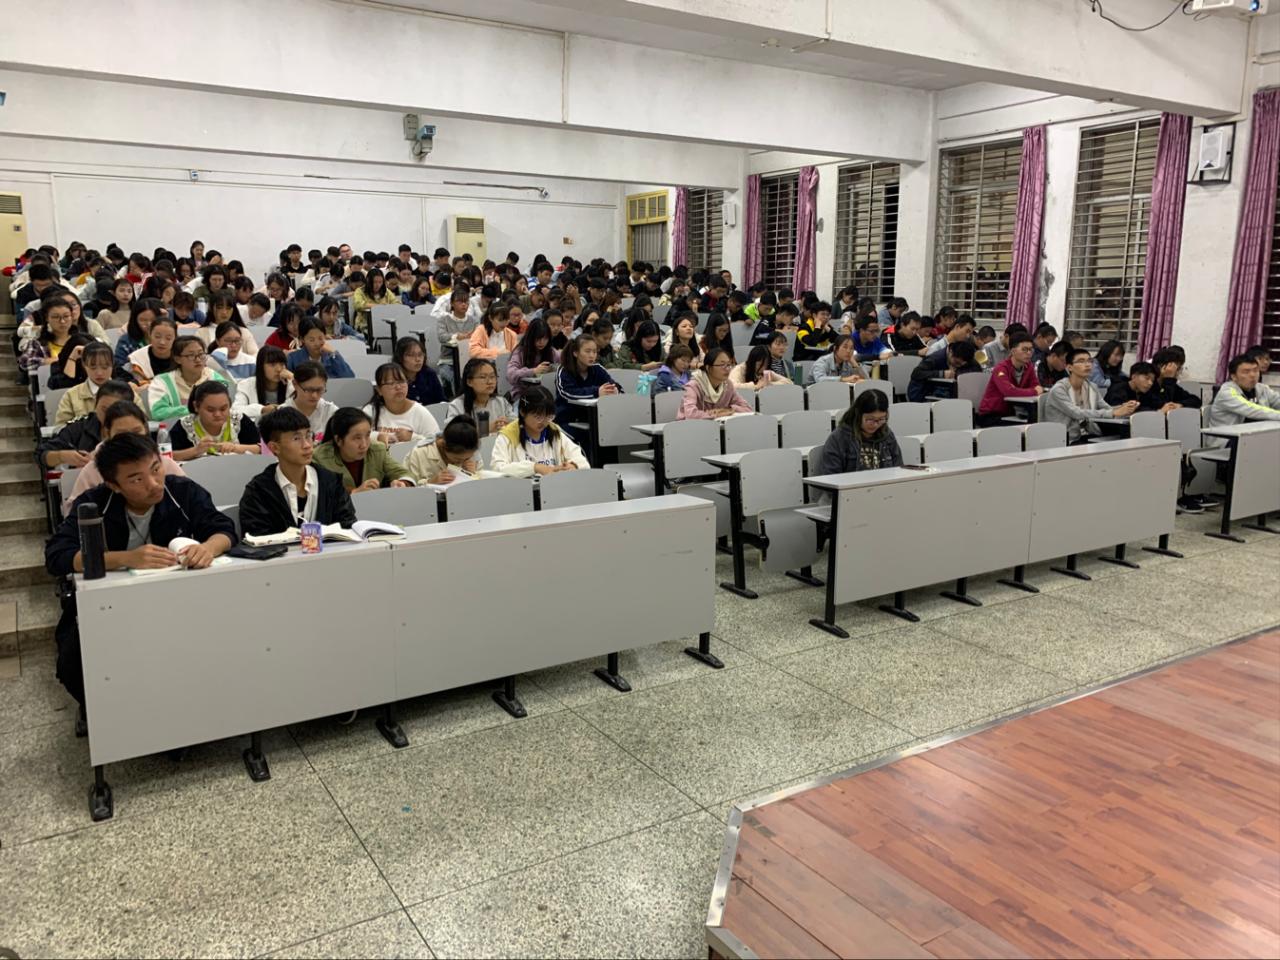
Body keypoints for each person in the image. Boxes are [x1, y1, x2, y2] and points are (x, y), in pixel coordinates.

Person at [47, 433, 236, 714]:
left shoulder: (182, 491)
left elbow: (224, 529)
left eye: (156, 469)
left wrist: (208, 548)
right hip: (112, 604)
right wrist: (125, 559)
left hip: (179, 599)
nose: (153, 484)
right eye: (136, 479)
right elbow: (56, 555)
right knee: (72, 662)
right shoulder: (94, 503)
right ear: (114, 485)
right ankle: (102, 712)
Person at [239, 407, 357, 535]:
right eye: (296, 438)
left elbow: (348, 527)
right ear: (275, 447)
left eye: (308, 435)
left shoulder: (332, 483)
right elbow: (255, 537)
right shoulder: (258, 491)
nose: (307, 445)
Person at [63, 400, 186, 513]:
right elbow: (75, 513)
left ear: (146, 429)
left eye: (137, 432)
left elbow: (187, 499)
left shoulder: (164, 463)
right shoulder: (93, 470)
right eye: (122, 434)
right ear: (107, 434)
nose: (131, 440)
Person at [1044, 348, 1140, 443]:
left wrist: (1123, 408)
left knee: (1124, 436)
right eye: (1081, 361)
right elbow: (1076, 413)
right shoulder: (1059, 389)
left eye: (1089, 361)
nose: (1087, 365)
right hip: (1065, 439)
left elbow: (1107, 408)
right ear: (1069, 367)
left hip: (1087, 435)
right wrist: (1114, 412)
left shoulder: (1091, 387)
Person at [490, 386, 590, 476]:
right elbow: (497, 469)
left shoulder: (554, 431)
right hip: (522, 489)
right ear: (522, 412)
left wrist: (573, 465)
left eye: (548, 416)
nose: (543, 422)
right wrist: (534, 467)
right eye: (538, 417)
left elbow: (580, 459)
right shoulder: (508, 436)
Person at [36, 381, 135, 470]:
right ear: (96, 404)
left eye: (114, 410)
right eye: (103, 409)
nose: (107, 415)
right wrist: (61, 456)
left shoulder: (135, 430)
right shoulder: (81, 427)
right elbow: (41, 454)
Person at [311, 407, 414, 491]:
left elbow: (404, 473)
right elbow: (320, 490)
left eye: (367, 435)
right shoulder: (319, 457)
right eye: (357, 438)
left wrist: (402, 483)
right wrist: (354, 492)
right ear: (339, 440)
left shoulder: (377, 450)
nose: (364, 445)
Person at [818, 389, 903, 476]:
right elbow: (830, 477)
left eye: (881, 419)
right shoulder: (839, 438)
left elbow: (898, 470)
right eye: (870, 419)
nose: (875, 424)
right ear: (858, 414)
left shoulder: (887, 436)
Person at [169, 381, 262, 460]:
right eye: (210, 410)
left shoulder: (239, 420)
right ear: (196, 406)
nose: (217, 414)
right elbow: (168, 456)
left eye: (223, 409)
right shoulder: (185, 425)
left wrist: (235, 448)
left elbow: (261, 448)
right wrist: (196, 450)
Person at [146, 335, 231, 420]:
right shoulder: (162, 382)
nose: (198, 360)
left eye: (201, 354)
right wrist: (194, 409)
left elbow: (226, 408)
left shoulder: (215, 379)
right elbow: (158, 412)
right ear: (177, 359)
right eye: (191, 355)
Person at [364, 362, 441, 442]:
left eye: (401, 381)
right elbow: (358, 436)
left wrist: (413, 437)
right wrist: (378, 436)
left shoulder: (419, 412)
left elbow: (436, 442)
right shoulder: (371, 410)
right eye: (391, 383)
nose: (398, 387)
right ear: (379, 390)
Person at [977, 332, 1042, 425]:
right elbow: (1009, 392)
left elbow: (1036, 386)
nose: (1028, 353)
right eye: (1024, 349)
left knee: (1036, 423)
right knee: (1028, 427)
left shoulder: (1028, 367)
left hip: (1012, 413)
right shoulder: (1001, 368)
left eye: (1031, 349)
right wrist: (1034, 391)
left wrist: (1016, 390)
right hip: (991, 414)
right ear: (1013, 351)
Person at [555, 334, 621, 423]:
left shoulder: (598, 369)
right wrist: (597, 392)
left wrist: (614, 389)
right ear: (575, 353)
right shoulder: (564, 370)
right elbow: (568, 393)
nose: (592, 355)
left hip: (593, 417)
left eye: (594, 352)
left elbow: (612, 384)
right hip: (568, 419)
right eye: (587, 351)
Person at [1207, 354, 1280, 430]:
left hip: (1255, 433)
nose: (1252, 375)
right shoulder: (1227, 393)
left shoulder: (1262, 389)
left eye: (1255, 370)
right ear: (1233, 376)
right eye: (1246, 372)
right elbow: (1253, 409)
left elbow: (1277, 400)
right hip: (1228, 436)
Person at [404, 415, 483, 484]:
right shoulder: (419, 453)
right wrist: (430, 482)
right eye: (457, 459)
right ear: (443, 445)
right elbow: (407, 488)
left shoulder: (472, 449)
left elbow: (482, 484)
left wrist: (473, 475)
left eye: (467, 458)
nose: (462, 463)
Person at [679, 347, 753, 419]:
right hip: (690, 426)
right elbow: (690, 415)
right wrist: (716, 414)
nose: (727, 369)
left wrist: (728, 409)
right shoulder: (694, 386)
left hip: (717, 426)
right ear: (708, 368)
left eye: (728, 365)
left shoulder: (727, 385)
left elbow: (747, 408)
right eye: (722, 365)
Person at [54, 341, 116, 425]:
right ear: (84, 365)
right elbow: (60, 427)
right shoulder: (71, 395)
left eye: (105, 367)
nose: (99, 373)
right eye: (93, 367)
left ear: (112, 364)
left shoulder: (125, 392)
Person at [446, 357, 514, 433]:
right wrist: (484, 430)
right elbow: (452, 434)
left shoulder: (501, 401)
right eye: (483, 377)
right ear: (469, 382)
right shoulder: (457, 406)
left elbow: (516, 423)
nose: (490, 382)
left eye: (492, 376)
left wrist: (509, 424)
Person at [908, 340, 981, 403]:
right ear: (951, 352)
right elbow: (916, 373)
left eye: (962, 365)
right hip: (922, 394)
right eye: (957, 363)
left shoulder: (965, 356)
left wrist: (958, 373)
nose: (958, 366)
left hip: (949, 393)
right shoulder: (935, 358)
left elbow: (977, 370)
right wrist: (942, 374)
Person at [282, 361, 339, 440]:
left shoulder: (331, 411)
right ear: (295, 384)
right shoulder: (282, 413)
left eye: (319, 390)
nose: (314, 395)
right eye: (309, 390)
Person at [234, 346, 292, 421]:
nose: (279, 369)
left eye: (282, 364)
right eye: (272, 365)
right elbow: (235, 411)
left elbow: (301, 407)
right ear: (261, 366)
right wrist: (262, 410)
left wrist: (294, 380)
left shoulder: (291, 384)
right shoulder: (245, 385)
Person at [506, 318, 559, 399]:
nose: (542, 342)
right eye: (538, 338)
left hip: (547, 394)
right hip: (523, 394)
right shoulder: (521, 352)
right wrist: (533, 371)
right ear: (531, 337)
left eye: (545, 338)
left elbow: (563, 365)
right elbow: (510, 374)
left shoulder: (551, 351)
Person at [287, 317, 355, 379]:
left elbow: (349, 378)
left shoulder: (332, 357)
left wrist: (334, 353)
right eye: (312, 340)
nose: (317, 344)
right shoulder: (293, 359)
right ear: (302, 339)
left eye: (320, 338)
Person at [125, 315, 178, 387]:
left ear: (175, 339)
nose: (162, 342)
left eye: (168, 338)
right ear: (150, 334)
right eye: (157, 337)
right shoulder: (137, 359)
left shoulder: (182, 358)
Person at [1105, 361, 1178, 412]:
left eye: (1152, 380)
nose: (1150, 383)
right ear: (1133, 376)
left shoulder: (1144, 392)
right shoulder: (1118, 390)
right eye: (1147, 378)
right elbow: (1124, 410)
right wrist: (1158, 411)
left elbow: (1159, 403)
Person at [392, 336, 445, 405]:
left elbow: (442, 401)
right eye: (411, 355)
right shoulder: (393, 378)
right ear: (400, 358)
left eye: (420, 355)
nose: (418, 359)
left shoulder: (429, 374)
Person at [351, 268, 399, 335]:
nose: (378, 285)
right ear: (368, 281)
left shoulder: (386, 291)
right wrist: (379, 307)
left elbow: (397, 303)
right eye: (375, 282)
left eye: (380, 282)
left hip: (385, 324)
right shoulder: (360, 291)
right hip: (365, 325)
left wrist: (387, 307)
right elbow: (358, 305)